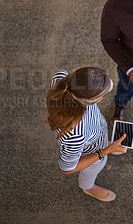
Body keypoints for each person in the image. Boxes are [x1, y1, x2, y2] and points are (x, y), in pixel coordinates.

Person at [46, 67, 127, 202]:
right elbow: (67, 169)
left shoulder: (62, 78)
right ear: (90, 102)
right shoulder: (76, 135)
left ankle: (107, 144)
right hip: (92, 152)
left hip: (95, 136)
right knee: (92, 171)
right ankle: (88, 187)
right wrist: (105, 151)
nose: (111, 85)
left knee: (103, 140)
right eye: (104, 93)